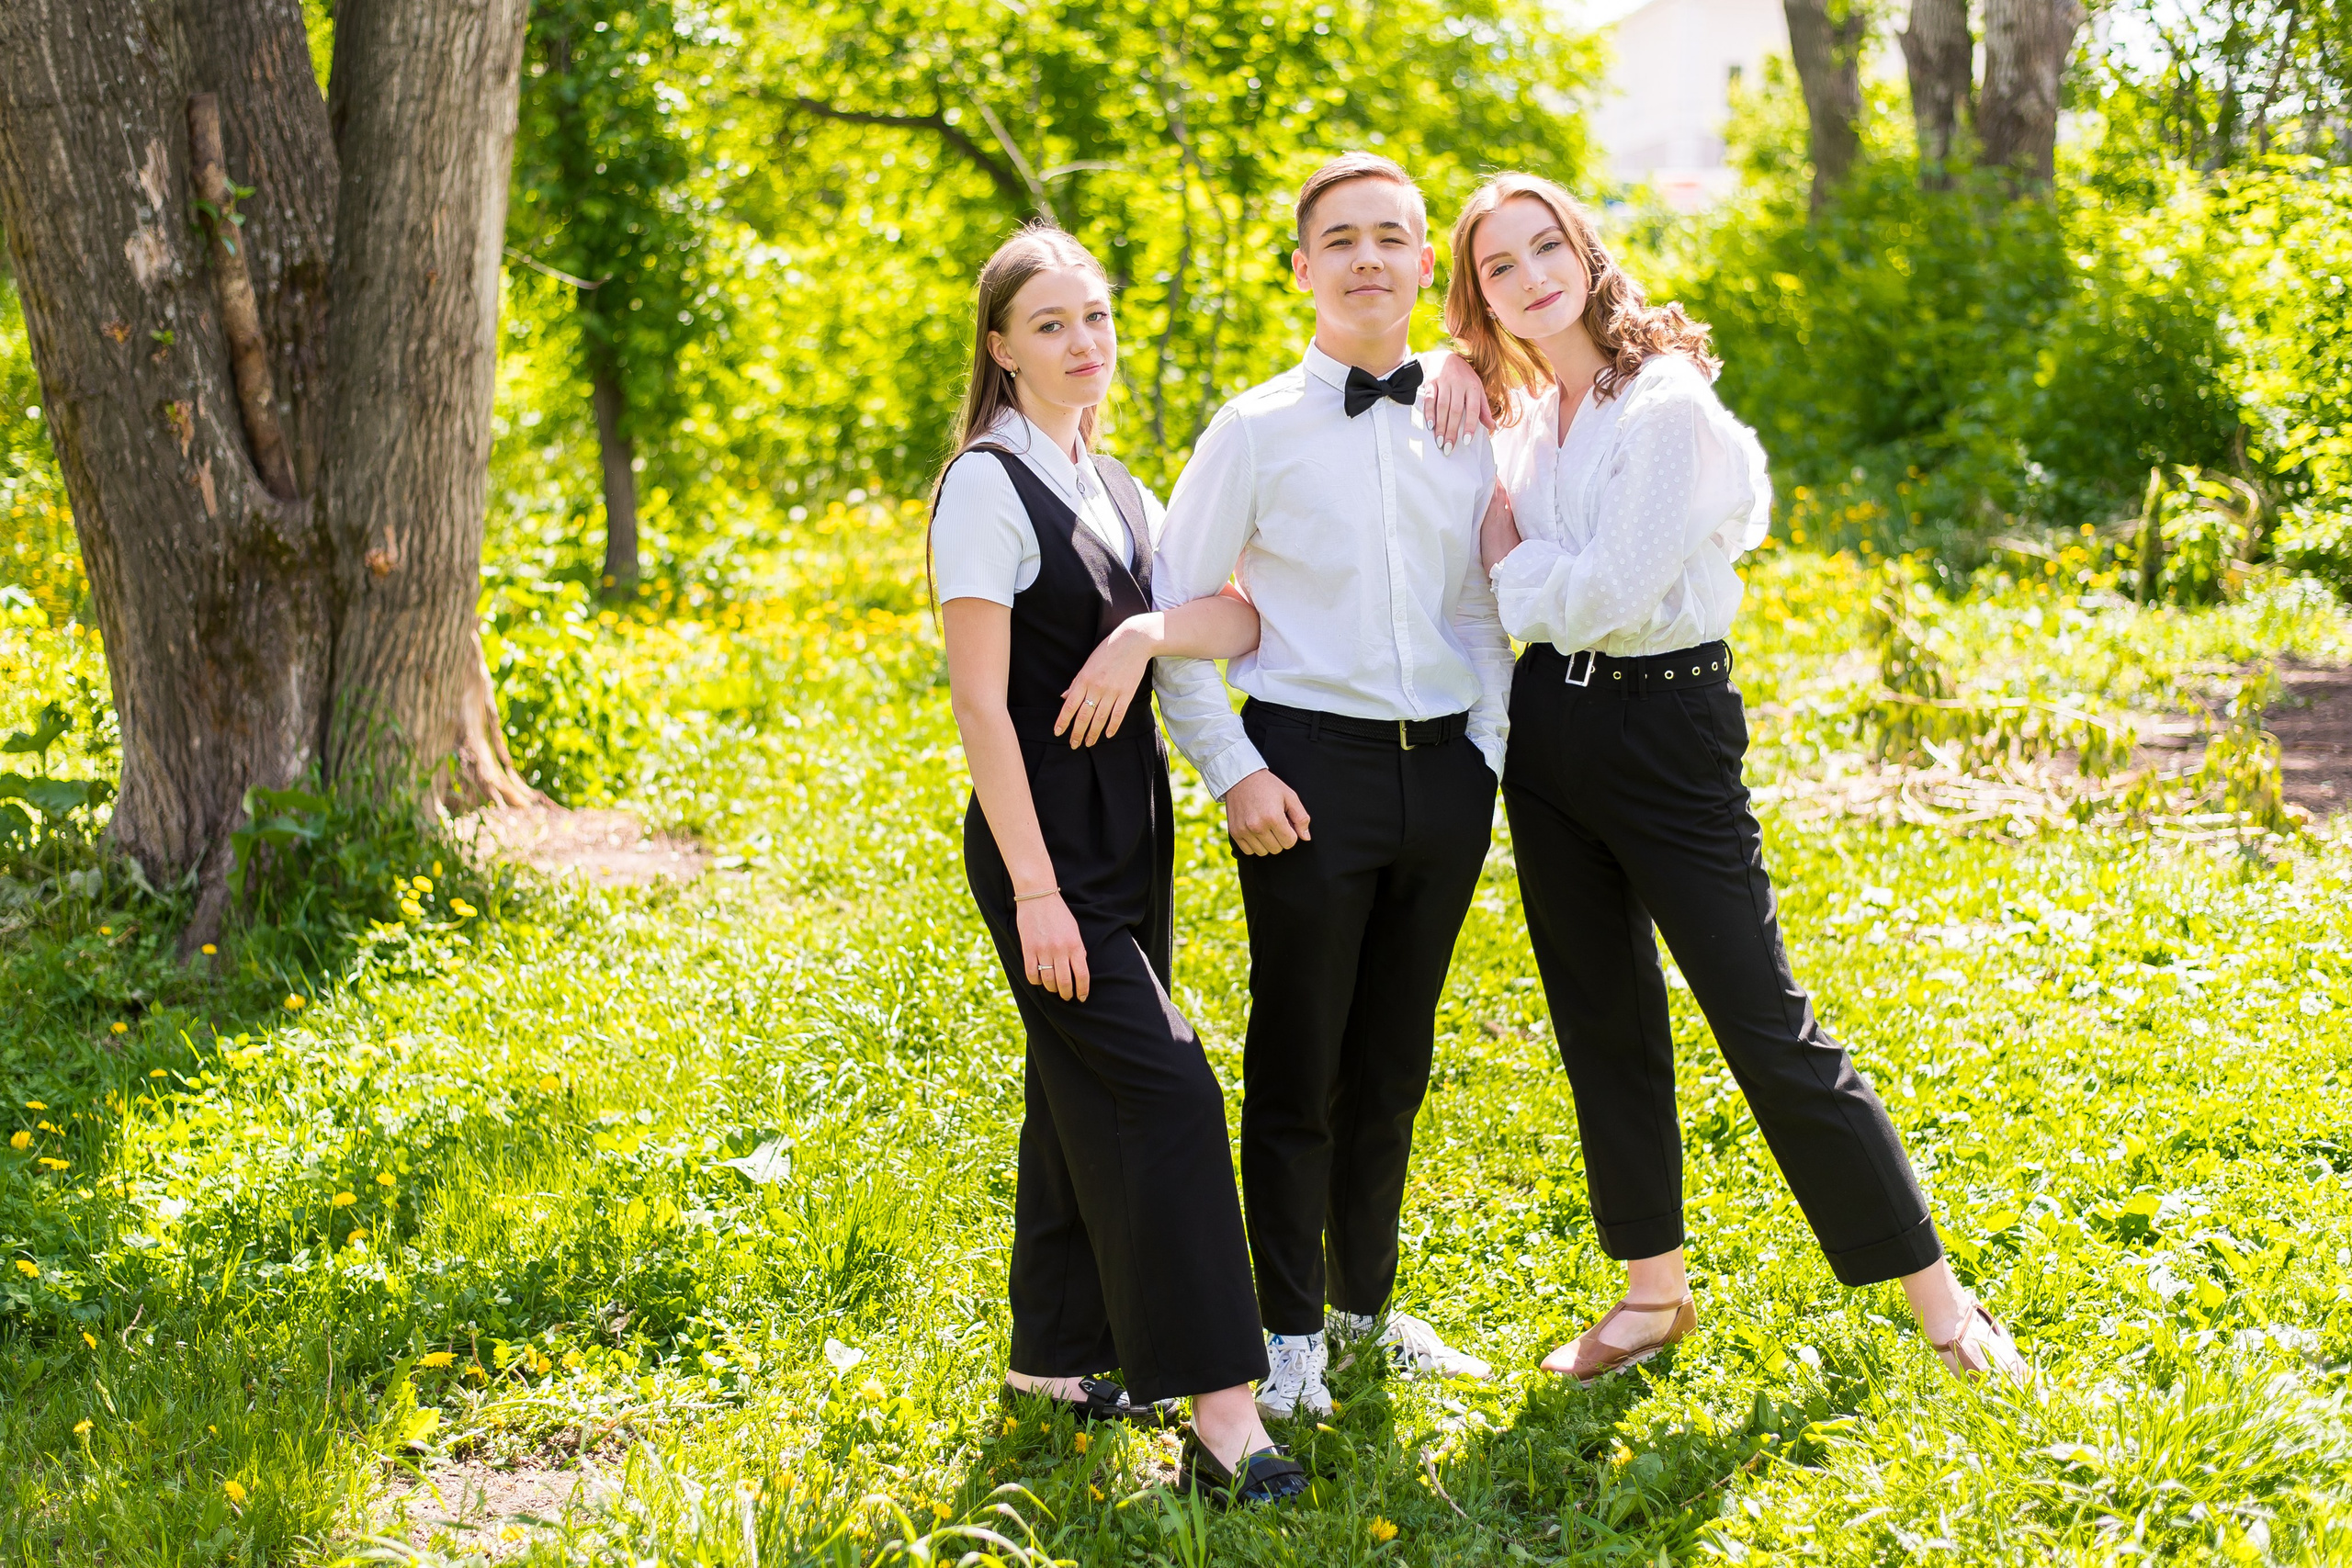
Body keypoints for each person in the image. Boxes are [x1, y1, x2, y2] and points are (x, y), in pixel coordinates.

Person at [1425, 172, 2029, 1382]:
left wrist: (1511, 565)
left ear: (1587, 253)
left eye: (1549, 247)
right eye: (1501, 267)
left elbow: (1606, 594)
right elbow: (1549, 565)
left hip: (1666, 727)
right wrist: (1464, 375)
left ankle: (1944, 1304)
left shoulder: (1664, 407)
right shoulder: (1539, 416)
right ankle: (1652, 1299)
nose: (1533, 275)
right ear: (1480, 299)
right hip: (1554, 742)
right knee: (1602, 1018)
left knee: (1765, 1022)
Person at [933, 221, 1309, 1501]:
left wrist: (1143, 632)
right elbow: (982, 708)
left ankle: (1050, 1362)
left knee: (1076, 1078)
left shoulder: (1123, 487)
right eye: (1049, 324)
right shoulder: (988, 486)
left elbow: (1237, 616)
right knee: (1168, 1090)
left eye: (1093, 318)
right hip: (1047, 846)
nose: (1081, 343)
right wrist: (1037, 892)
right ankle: (1222, 1414)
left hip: (1131, 830)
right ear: (1000, 348)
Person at [1151, 152, 1508, 1423]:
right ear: (1302, 269)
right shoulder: (1252, 431)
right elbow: (1178, 613)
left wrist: (1495, 762)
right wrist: (1236, 770)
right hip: (1307, 772)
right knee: (1301, 1059)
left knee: (1395, 1060)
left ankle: (1364, 1307)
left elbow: (1480, 607)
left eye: (1392, 239)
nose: (1367, 259)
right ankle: (1286, 1329)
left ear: (1425, 266)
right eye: (1340, 240)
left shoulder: (1473, 418)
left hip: (1445, 778)